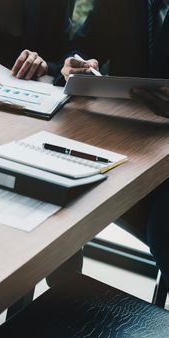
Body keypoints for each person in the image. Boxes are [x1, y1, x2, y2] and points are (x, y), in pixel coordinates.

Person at [59, 0, 169, 286]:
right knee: (62, 185)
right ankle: (61, 295)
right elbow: (86, 45)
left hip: (162, 159)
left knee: (164, 228)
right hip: (130, 141)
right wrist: (76, 63)